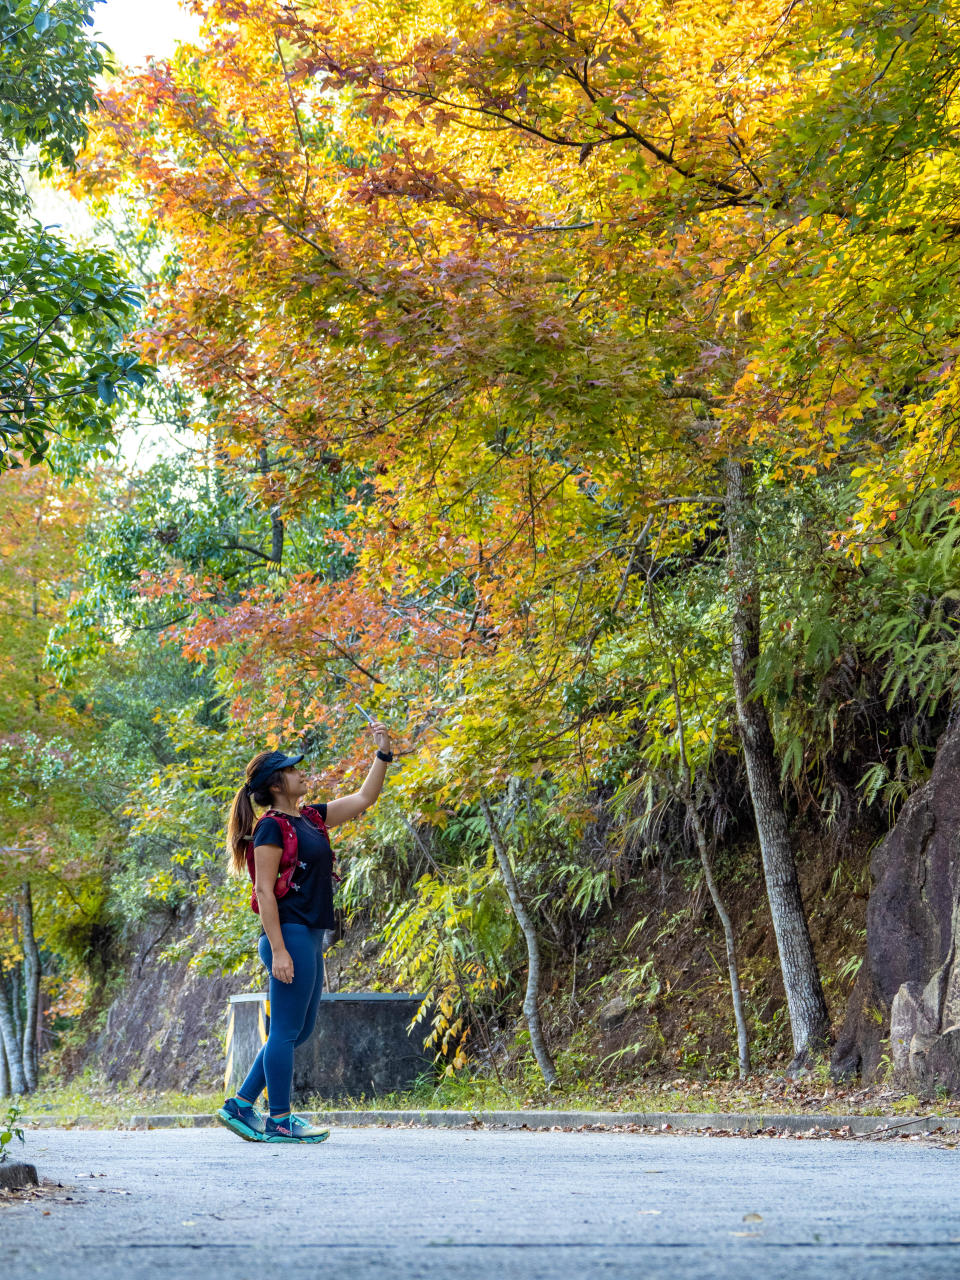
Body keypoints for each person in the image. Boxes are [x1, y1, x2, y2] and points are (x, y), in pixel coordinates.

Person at [217, 721, 393, 1143]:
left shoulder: (311, 818)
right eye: (293, 770)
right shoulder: (271, 826)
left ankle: (240, 1104)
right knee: (285, 1031)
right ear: (276, 784)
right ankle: (279, 1118)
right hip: (289, 935)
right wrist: (278, 951)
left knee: (301, 1029)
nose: (302, 773)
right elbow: (263, 889)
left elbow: (365, 797)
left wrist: (382, 754)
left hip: (309, 934)